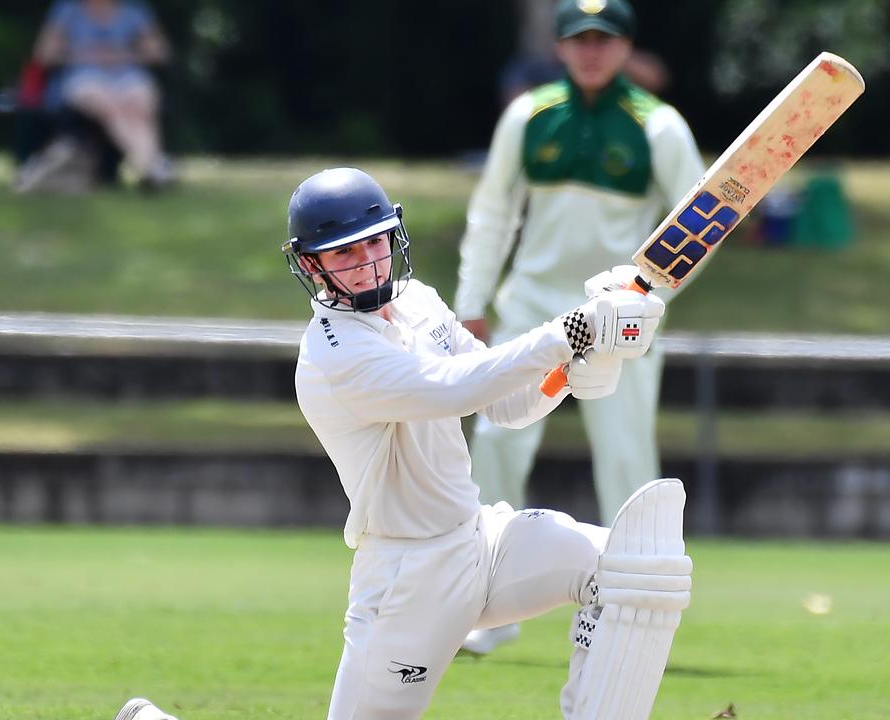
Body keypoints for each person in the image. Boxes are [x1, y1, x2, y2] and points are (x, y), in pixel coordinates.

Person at [282, 166, 691, 720]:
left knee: (631, 570)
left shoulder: (419, 302)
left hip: (482, 543)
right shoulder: (334, 357)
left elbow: (509, 403)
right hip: (408, 578)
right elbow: (458, 389)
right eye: (344, 254)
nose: (368, 262)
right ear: (312, 265)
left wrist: (576, 368)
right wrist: (574, 331)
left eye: (374, 242)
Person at [454, 0, 707, 656]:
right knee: (496, 448)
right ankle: (484, 608)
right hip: (532, 305)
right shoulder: (529, 115)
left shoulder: (660, 127)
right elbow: (492, 212)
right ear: (561, 47)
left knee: (626, 459)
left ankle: (636, 609)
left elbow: (698, 232)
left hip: (618, 313)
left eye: (604, 39)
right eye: (579, 40)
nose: (591, 51)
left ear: (625, 47)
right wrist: (473, 299)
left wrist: (644, 297)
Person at [21, 0, 174, 192]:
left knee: (142, 105)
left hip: (127, 75)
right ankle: (152, 166)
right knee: (110, 105)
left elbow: (160, 52)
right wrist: (84, 54)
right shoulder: (67, 10)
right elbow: (43, 54)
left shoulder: (134, 10)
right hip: (84, 76)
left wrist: (123, 55)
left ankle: (150, 168)